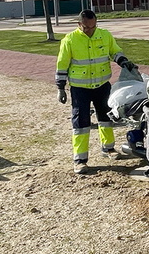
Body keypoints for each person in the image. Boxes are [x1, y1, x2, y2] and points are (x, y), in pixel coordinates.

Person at [56, 9, 137, 174]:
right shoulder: (69, 40)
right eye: (87, 28)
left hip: (102, 85)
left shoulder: (104, 35)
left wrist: (123, 62)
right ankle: (80, 160)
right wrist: (60, 88)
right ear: (79, 24)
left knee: (106, 118)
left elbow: (115, 51)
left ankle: (108, 149)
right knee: (81, 123)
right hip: (80, 89)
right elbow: (62, 64)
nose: (90, 31)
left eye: (93, 27)